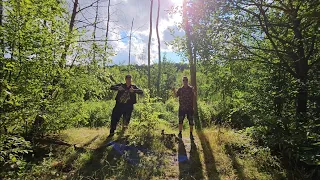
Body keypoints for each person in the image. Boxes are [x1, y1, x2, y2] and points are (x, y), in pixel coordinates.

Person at [173, 76, 196, 140]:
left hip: (190, 108)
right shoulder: (180, 89)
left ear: (187, 81)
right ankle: (180, 133)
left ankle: (191, 134)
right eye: (184, 80)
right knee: (180, 121)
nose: (185, 81)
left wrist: (193, 107)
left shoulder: (191, 88)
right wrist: (174, 91)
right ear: (182, 81)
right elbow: (176, 96)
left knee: (191, 122)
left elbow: (194, 97)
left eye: (186, 80)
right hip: (182, 108)